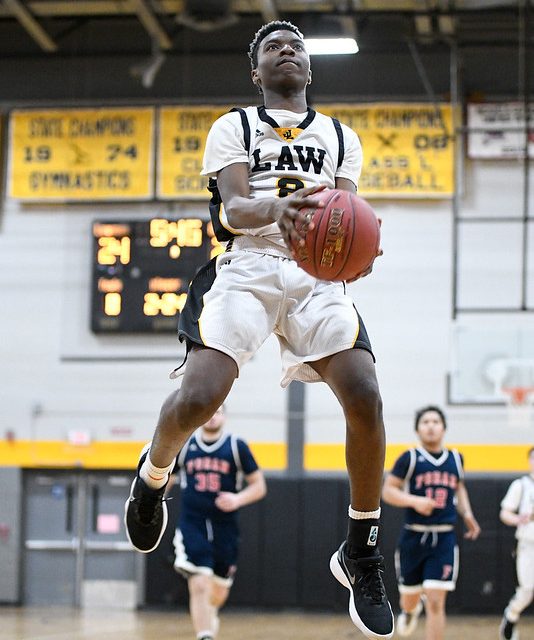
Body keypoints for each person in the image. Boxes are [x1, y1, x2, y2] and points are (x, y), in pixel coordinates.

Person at [125, 19, 394, 639]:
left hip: (314, 278)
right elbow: (232, 207)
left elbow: (345, 212)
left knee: (366, 394)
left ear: (309, 65)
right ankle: (153, 476)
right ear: (257, 71)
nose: (288, 51)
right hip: (246, 264)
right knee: (198, 397)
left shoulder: (341, 138)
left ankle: (362, 549)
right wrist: (277, 208)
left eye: (296, 45)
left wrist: (359, 247)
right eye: (273, 47)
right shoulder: (235, 126)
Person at [381, 405, 481, 640]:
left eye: (435, 422)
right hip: (414, 537)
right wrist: (414, 500)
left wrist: (468, 516)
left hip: (444, 538)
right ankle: (411, 610)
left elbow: (459, 488)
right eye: (425, 422)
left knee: (436, 601)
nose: (431, 426)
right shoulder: (410, 458)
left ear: (444, 428)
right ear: (418, 430)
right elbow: (387, 491)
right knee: (409, 599)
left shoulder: (456, 459)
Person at [167, 405, 266, 640]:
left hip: (225, 527)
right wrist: (151, 502)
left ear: (225, 416)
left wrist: (237, 498)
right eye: (209, 412)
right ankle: (205, 635)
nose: (212, 416)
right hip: (193, 523)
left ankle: (209, 616)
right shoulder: (184, 446)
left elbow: (259, 486)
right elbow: (167, 479)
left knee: (217, 593)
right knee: (199, 582)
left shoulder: (235, 446)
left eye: (218, 412)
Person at [499, 446, 534, 640]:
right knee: (526, 592)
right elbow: (505, 513)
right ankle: (510, 616)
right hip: (528, 545)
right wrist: (519, 519)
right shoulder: (521, 485)